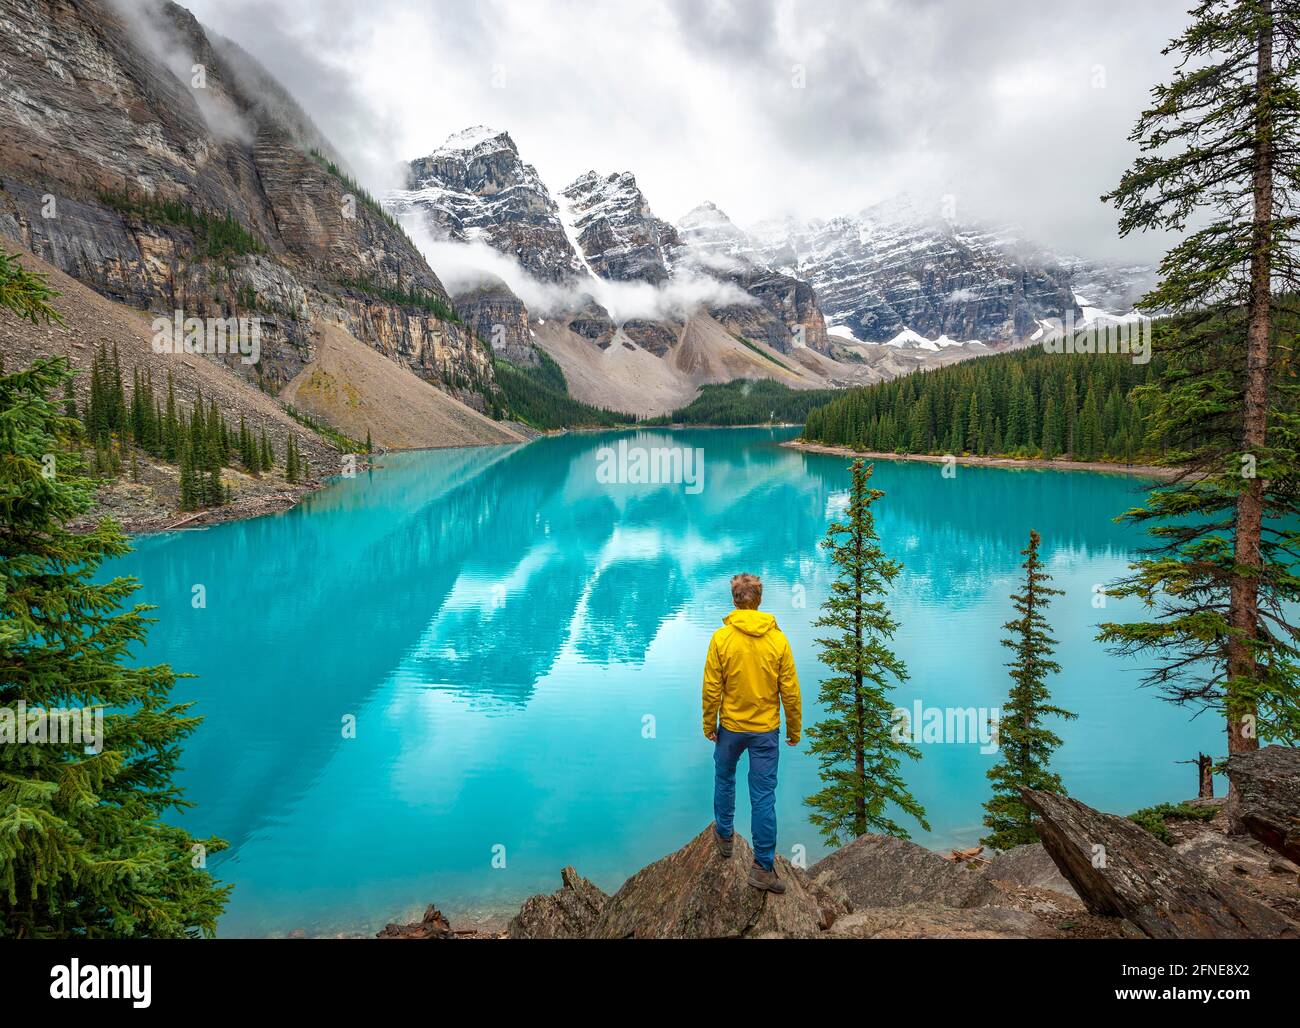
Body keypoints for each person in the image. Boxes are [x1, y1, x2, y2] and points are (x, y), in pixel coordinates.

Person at [702, 572, 801, 892]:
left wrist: (709, 723)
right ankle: (762, 867)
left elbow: (711, 687)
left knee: (724, 778)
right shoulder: (778, 640)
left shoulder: (721, 638)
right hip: (765, 732)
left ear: (735, 601)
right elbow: (791, 691)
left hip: (730, 728)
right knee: (763, 797)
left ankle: (725, 836)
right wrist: (794, 728)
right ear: (759, 600)